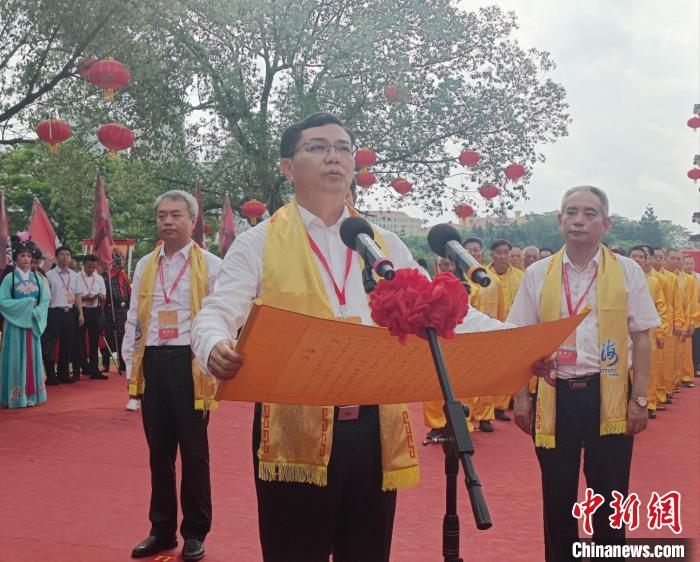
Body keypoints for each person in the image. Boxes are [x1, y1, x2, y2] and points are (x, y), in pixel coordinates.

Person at [190, 112, 521, 562]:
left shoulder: (382, 243)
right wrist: (214, 346)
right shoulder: (259, 242)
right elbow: (214, 314)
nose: (335, 157)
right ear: (288, 167)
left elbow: (439, 315)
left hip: (373, 428)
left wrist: (521, 343)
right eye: (318, 147)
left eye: (344, 148)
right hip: (294, 427)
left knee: (367, 551)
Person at [510, 186, 659, 562]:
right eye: (571, 212)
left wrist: (639, 399)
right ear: (559, 220)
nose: (579, 220)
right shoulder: (537, 274)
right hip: (554, 394)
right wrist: (521, 398)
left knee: (610, 496)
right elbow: (519, 340)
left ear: (606, 224)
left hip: (607, 395)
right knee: (558, 495)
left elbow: (642, 337)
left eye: (590, 213)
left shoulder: (627, 271)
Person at [123, 190, 221, 561]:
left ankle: (195, 531)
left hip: (190, 363)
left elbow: (225, 316)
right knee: (158, 454)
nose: (167, 221)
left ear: (192, 220)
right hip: (153, 361)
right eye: (161, 214)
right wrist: (132, 361)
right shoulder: (145, 265)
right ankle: (161, 530)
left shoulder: (211, 264)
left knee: (195, 454)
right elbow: (135, 315)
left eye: (175, 214)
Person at [0, 234, 50, 408]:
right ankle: (15, 396)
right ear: (15, 259)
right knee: (15, 359)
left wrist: (36, 312)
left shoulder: (38, 278)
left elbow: (46, 300)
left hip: (32, 324)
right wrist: (28, 305)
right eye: (22, 256)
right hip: (14, 325)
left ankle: (32, 395)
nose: (27, 259)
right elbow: (3, 301)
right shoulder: (9, 279)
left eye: (29, 256)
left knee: (33, 358)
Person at [486, 239, 525, 421]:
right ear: (491, 254)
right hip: (488, 329)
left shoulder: (521, 276)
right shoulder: (483, 275)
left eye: (506, 253)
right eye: (499, 253)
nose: (503, 256)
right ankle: (484, 411)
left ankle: (501, 406)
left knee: (507, 368)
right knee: (488, 369)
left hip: (513, 328)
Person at [628, 246, 669, 418]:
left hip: (646, 333)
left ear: (647, 261)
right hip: (622, 334)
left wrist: (661, 332)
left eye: (641, 257)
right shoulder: (618, 279)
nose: (637, 259)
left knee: (647, 369)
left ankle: (649, 402)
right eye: (634, 256)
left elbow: (662, 307)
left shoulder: (654, 282)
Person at [42, 246, 84, 385]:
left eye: (67, 254)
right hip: (54, 312)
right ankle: (50, 375)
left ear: (70, 258)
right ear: (56, 257)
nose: (65, 257)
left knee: (67, 344)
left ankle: (63, 373)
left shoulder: (75, 276)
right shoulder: (49, 275)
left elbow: (77, 295)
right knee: (51, 345)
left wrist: (80, 313)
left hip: (70, 312)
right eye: (62, 254)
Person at [651, 248, 683, 404]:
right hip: (648, 323)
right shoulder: (649, 278)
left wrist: (678, 322)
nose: (657, 260)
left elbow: (676, 303)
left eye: (660, 257)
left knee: (665, 361)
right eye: (655, 257)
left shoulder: (668, 278)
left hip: (666, 323)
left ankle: (662, 392)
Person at [78, 254, 108, 379]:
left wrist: (101, 296)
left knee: (94, 341)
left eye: (93, 267)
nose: (91, 269)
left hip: (95, 311)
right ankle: (83, 367)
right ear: (83, 264)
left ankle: (94, 370)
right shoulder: (76, 277)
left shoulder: (99, 278)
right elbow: (74, 296)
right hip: (81, 310)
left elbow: (104, 296)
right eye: (89, 267)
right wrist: (85, 298)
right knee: (80, 341)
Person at [103, 250, 131, 374]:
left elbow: (129, 294)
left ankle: (123, 363)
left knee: (123, 338)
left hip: (124, 312)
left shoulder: (124, 277)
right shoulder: (107, 277)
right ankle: (106, 364)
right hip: (111, 312)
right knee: (109, 337)